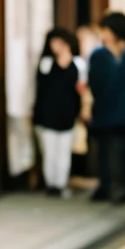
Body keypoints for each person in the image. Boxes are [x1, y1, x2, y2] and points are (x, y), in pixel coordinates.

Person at [83, 11, 125, 203]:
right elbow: (93, 84)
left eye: (107, 30)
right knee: (103, 150)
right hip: (104, 110)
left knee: (124, 150)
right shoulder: (98, 56)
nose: (103, 34)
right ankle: (106, 185)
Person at [33, 28, 81, 198]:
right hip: (48, 115)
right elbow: (44, 85)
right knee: (50, 151)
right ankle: (51, 184)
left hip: (67, 115)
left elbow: (77, 89)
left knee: (63, 152)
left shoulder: (75, 64)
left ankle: (60, 184)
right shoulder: (46, 62)